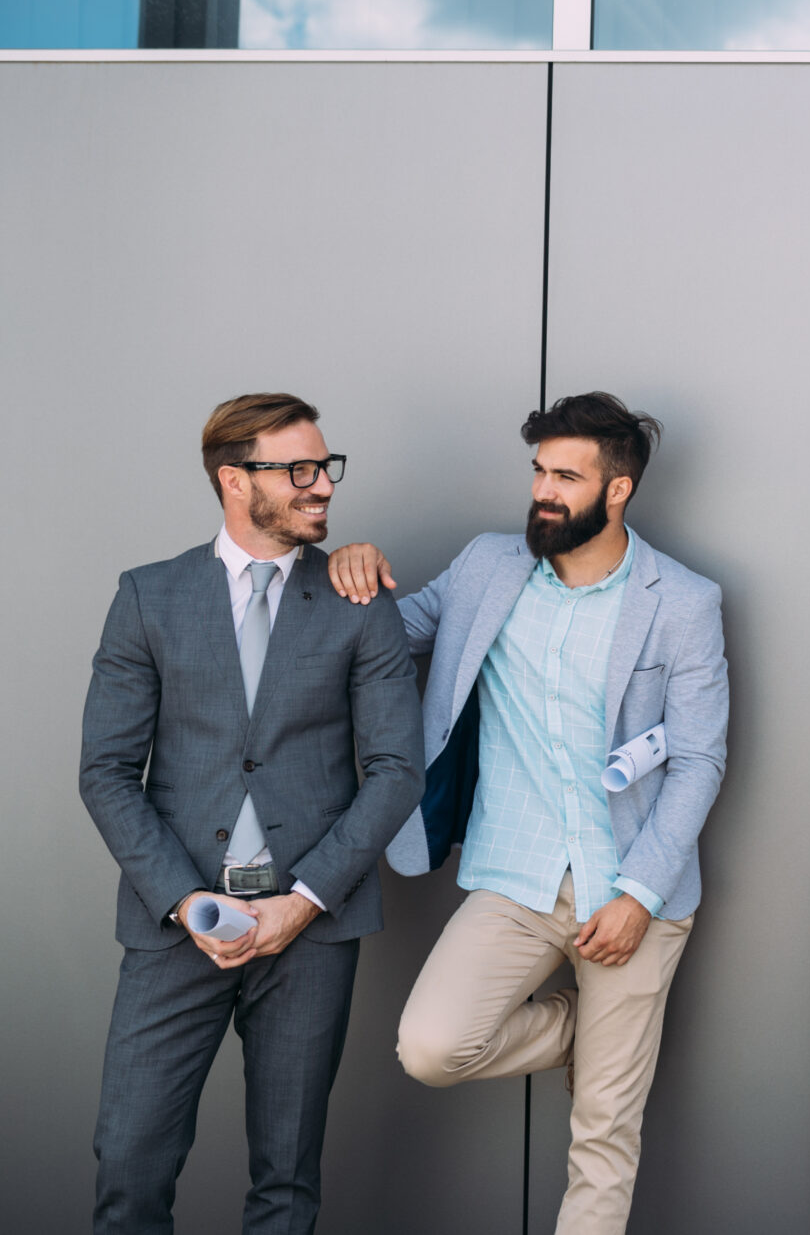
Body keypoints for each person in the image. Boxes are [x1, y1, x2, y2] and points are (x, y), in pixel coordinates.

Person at [324, 393, 729, 1235]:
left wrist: (640, 896)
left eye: (566, 476)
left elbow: (698, 762)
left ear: (617, 491)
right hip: (516, 878)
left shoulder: (681, 601)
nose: (544, 491)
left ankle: (616, 1037)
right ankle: (600, 1033)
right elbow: (385, 638)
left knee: (603, 1137)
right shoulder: (487, 566)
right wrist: (347, 569)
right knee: (432, 1046)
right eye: (540, 471)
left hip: (629, 891)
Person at [80, 393, 425, 1235]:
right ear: (236, 480)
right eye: (298, 470)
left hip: (310, 930)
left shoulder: (361, 599)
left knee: (287, 1179)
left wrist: (301, 903)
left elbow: (394, 771)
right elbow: (107, 773)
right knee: (129, 1161)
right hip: (175, 927)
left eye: (325, 467)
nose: (322, 487)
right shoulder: (148, 597)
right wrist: (183, 902)